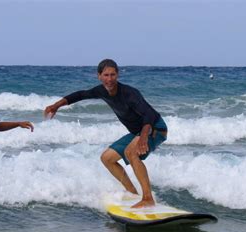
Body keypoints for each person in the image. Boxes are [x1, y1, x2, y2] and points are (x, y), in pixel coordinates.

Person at [44, 59, 167, 208]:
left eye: (113, 75)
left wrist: (143, 137)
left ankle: (148, 198)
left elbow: (148, 115)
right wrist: (56, 105)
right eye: (106, 75)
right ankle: (133, 193)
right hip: (137, 132)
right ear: (99, 76)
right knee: (107, 158)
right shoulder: (102, 91)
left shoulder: (129, 93)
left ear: (118, 75)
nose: (110, 79)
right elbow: (81, 95)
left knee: (131, 152)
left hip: (155, 128)